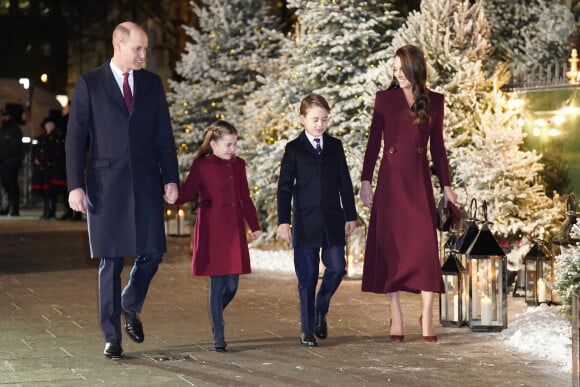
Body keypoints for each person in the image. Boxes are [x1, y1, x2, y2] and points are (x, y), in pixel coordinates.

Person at [66, 21, 179, 359]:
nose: (143, 54)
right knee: (111, 261)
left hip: (145, 183)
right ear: (119, 44)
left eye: (145, 48)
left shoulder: (152, 84)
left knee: (154, 252)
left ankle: (129, 303)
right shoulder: (90, 83)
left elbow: (164, 136)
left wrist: (171, 179)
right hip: (106, 187)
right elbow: (75, 139)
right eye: (138, 48)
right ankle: (112, 337)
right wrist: (75, 186)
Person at [359, 45, 457, 343]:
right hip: (390, 184)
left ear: (416, 69)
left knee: (424, 249)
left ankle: (427, 314)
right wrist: (365, 181)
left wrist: (448, 186)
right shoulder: (384, 100)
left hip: (418, 183)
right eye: (394, 68)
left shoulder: (435, 101)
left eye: (402, 68)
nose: (396, 73)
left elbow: (438, 150)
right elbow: (373, 143)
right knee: (392, 249)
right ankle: (396, 313)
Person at [174, 120, 262, 353]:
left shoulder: (239, 165)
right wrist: (172, 195)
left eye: (234, 145)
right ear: (213, 144)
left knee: (232, 286)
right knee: (217, 283)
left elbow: (245, 197)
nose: (232, 150)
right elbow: (187, 191)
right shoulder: (201, 166)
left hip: (233, 229)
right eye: (228, 145)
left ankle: (215, 315)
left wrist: (254, 225)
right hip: (212, 229)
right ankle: (219, 334)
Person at [277, 93, 357, 347]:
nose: (320, 124)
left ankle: (320, 307)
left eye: (324, 119)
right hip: (305, 221)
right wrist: (283, 221)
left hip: (333, 219)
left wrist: (351, 214)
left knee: (337, 267)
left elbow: (345, 181)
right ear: (303, 119)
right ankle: (306, 329)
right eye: (315, 120)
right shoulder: (293, 149)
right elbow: (284, 188)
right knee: (308, 276)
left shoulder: (335, 146)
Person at [31, 116, 67, 219]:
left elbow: (56, 153)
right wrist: (36, 159)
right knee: (45, 193)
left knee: (51, 192)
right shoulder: (41, 138)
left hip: (52, 170)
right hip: (43, 170)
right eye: (47, 124)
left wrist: (44, 159)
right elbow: (36, 150)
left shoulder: (57, 138)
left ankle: (50, 212)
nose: (49, 126)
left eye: (51, 124)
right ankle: (46, 211)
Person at [56, 101, 82, 221]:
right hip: (64, 155)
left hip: (66, 156)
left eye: (65, 107)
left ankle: (74, 212)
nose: (63, 109)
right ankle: (71, 211)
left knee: (70, 185)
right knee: (65, 185)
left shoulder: (68, 120)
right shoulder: (64, 120)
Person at [0, 104, 24, 216]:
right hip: (4, 163)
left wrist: (3, 157)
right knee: (5, 186)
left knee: (12, 186)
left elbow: (13, 148)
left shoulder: (15, 130)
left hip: (11, 163)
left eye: (5, 116)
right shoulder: (4, 129)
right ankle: (6, 206)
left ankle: (14, 208)